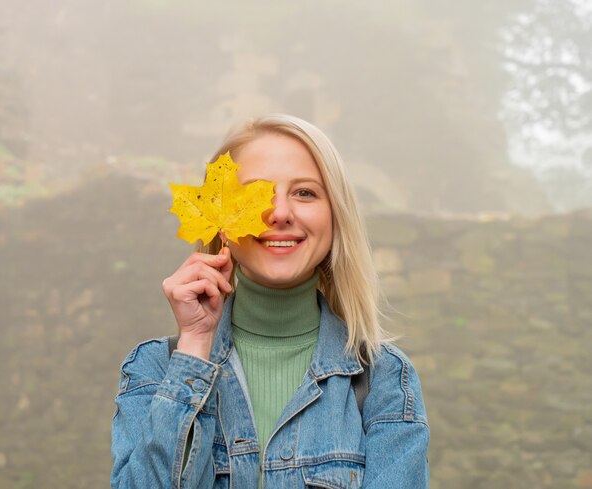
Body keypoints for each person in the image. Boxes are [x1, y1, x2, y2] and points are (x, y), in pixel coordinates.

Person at [110, 114, 429, 488]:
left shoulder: (385, 380)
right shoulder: (152, 369)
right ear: (220, 217)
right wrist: (194, 348)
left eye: (305, 193)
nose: (279, 213)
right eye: (256, 192)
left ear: (335, 215)